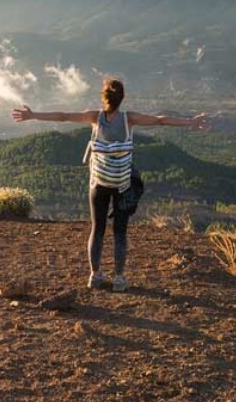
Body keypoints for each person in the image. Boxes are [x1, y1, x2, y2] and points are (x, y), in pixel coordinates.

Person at [11, 78, 210, 292]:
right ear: (121, 98)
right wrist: (190, 122)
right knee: (120, 232)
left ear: (103, 98)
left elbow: (64, 116)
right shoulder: (129, 119)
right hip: (122, 183)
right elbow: (160, 120)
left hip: (99, 183)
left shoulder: (95, 117)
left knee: (97, 229)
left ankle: (95, 276)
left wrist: (33, 115)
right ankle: (119, 279)